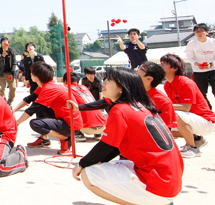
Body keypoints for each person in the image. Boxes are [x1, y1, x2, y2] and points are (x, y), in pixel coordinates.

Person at [71, 67, 183, 205]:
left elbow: (107, 145)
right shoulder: (142, 106)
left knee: (88, 174)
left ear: (122, 88)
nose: (104, 83)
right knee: (103, 164)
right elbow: (115, 146)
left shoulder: (120, 110)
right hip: (170, 179)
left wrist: (82, 164)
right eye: (105, 79)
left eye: (109, 80)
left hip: (158, 184)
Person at [13, 62, 83, 155]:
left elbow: (31, 110)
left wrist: (16, 123)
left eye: (31, 73)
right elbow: (29, 99)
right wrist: (12, 111)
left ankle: (65, 138)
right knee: (41, 107)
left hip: (71, 125)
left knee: (35, 124)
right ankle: (44, 139)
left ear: (36, 77)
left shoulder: (49, 88)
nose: (30, 74)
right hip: (67, 120)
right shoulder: (46, 85)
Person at [162, 53, 215, 158]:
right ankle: (197, 139)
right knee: (160, 125)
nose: (160, 65)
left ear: (174, 68)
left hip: (206, 121)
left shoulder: (185, 82)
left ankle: (192, 147)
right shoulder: (167, 85)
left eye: (164, 63)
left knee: (175, 115)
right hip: (192, 120)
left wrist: (164, 105)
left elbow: (186, 107)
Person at [62, 72, 106, 141]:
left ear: (65, 81)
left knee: (66, 108)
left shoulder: (66, 88)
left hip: (87, 128)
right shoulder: (84, 87)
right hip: (102, 126)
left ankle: (78, 134)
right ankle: (98, 134)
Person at [135, 61, 177, 130]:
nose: (135, 70)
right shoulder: (128, 91)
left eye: (140, 68)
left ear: (149, 79)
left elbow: (165, 130)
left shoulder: (163, 102)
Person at [185, 22, 215, 108]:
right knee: (201, 92)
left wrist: (211, 64)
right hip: (198, 71)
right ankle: (208, 109)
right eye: (196, 31)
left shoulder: (213, 42)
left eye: (201, 31)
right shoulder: (191, 44)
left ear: (207, 32)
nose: (199, 33)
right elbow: (189, 57)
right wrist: (196, 64)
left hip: (213, 70)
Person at [0, 37, 17, 107]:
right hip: (0, 73)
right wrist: (3, 56)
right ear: (1, 44)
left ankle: (9, 102)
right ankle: (4, 102)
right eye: (3, 41)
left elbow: (14, 63)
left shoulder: (12, 51)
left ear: (8, 43)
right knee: (1, 89)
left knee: (13, 88)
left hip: (10, 73)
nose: (5, 42)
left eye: (6, 41)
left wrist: (12, 73)